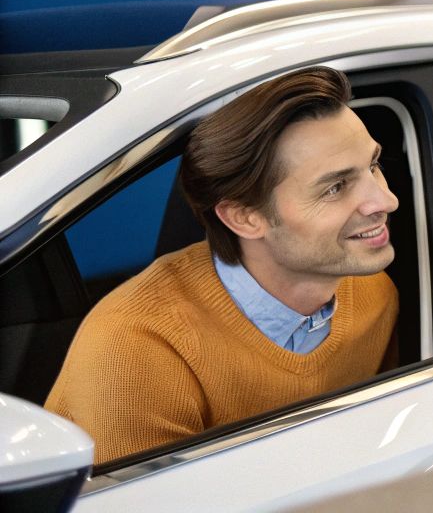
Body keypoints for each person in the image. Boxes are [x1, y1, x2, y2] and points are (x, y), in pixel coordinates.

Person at [47, 66, 399, 463]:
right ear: (245, 218)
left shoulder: (373, 293)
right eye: (335, 187)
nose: (386, 201)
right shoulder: (135, 348)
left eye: (373, 166)